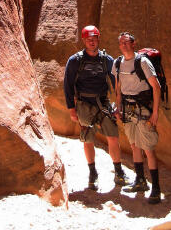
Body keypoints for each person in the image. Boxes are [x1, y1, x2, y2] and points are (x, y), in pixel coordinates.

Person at [64, 25, 127, 190]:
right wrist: (72, 108)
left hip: (103, 103)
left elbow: (116, 84)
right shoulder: (75, 61)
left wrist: (119, 105)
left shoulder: (107, 60)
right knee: (88, 139)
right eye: (89, 39)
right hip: (84, 105)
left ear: (98, 39)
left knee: (113, 136)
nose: (92, 42)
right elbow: (68, 85)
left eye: (94, 39)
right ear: (84, 40)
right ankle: (93, 173)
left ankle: (119, 172)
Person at [113, 32, 162, 204]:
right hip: (128, 110)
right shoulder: (117, 63)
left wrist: (155, 113)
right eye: (121, 43)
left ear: (134, 44)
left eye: (127, 42)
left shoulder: (142, 62)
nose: (124, 45)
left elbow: (156, 87)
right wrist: (118, 108)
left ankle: (156, 188)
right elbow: (118, 89)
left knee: (148, 148)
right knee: (134, 145)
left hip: (143, 110)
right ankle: (140, 181)